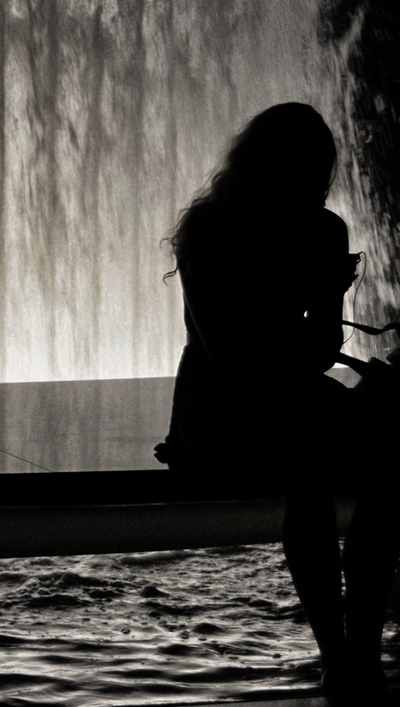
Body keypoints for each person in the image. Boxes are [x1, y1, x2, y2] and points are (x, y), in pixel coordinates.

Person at [156, 101, 397, 706]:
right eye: (305, 173)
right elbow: (228, 356)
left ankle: (351, 656)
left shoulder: (316, 230)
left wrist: (324, 296)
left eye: (320, 176)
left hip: (279, 401)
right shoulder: (212, 233)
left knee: (381, 456)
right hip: (223, 409)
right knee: (327, 458)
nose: (315, 188)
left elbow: (312, 350)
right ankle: (350, 660)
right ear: (272, 169)